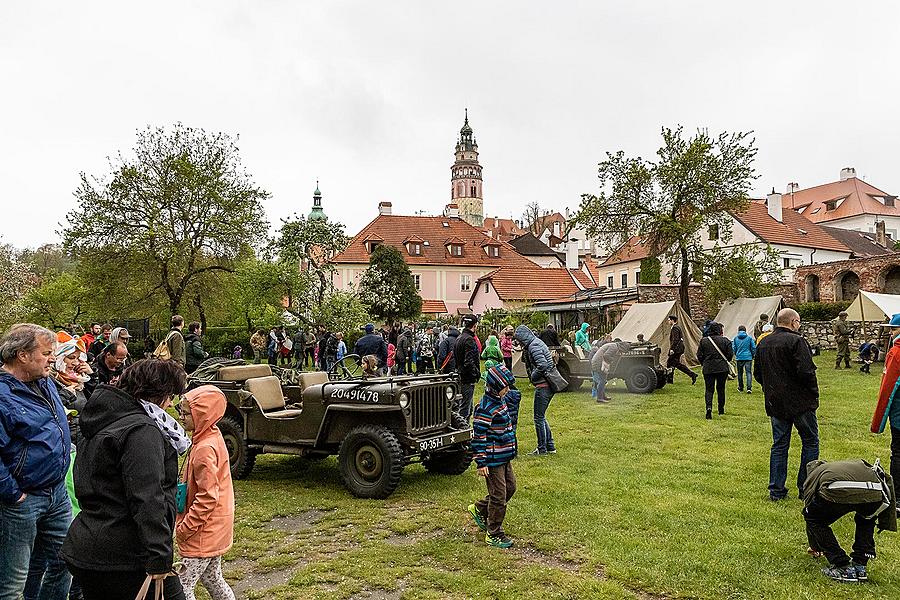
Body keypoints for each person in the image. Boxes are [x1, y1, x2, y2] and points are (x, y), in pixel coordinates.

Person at [61, 359, 189, 600]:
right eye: (170, 395)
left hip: (89, 545)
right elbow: (148, 497)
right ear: (156, 393)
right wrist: (159, 556)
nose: (170, 403)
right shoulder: (140, 430)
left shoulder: (103, 418)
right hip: (125, 555)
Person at [0, 324, 73, 600]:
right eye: (46, 353)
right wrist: (12, 493)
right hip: (22, 500)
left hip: (56, 494)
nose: (52, 358)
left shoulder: (43, 381)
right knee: (11, 582)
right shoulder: (3, 395)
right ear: (22, 355)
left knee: (66, 561)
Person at [176, 386, 236, 600]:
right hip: (217, 525)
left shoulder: (204, 449)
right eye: (179, 410)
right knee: (212, 578)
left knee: (182, 587)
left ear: (202, 415)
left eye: (185, 412)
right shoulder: (211, 434)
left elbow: (207, 497)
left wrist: (185, 528)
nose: (180, 417)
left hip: (203, 530)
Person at [754, 308, 820, 501]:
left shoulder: (764, 342)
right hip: (800, 401)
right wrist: (813, 393)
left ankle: (776, 489)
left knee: (780, 445)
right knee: (810, 441)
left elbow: (758, 372)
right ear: (794, 322)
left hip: (776, 401)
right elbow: (807, 371)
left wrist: (772, 388)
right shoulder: (797, 341)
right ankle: (805, 486)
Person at [802, 458, 896, 583]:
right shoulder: (841, 466)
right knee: (866, 518)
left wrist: (815, 546)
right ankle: (860, 564)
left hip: (838, 489)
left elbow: (810, 512)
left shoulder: (814, 475)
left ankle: (841, 565)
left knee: (814, 519)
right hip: (875, 490)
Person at [467, 365, 518, 549]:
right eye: (506, 386)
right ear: (497, 387)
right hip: (492, 458)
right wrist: (481, 461)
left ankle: (480, 509)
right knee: (499, 495)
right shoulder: (485, 408)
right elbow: (479, 436)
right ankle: (494, 532)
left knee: (510, 487)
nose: (509, 390)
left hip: (504, 455)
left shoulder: (500, 401)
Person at [515, 325, 561, 456]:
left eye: (519, 340)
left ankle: (542, 449)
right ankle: (550, 446)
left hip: (543, 386)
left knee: (538, 418)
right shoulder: (536, 342)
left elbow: (543, 365)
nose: (519, 343)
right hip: (547, 385)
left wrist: (533, 377)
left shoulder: (533, 346)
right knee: (541, 417)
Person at [872, 313, 900, 487]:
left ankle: (897, 495)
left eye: (894, 329)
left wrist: (879, 419)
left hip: (899, 412)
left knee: (898, 453)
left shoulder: (896, 352)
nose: (891, 333)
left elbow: (888, 388)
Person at [696, 322, 733, 419]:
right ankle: (721, 409)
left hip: (708, 367)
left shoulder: (704, 341)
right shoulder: (725, 341)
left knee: (709, 389)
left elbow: (699, 355)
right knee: (721, 389)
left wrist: (704, 362)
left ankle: (709, 408)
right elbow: (729, 356)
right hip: (722, 368)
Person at [454, 315, 481, 420]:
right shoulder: (469, 340)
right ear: (475, 325)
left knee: (467, 407)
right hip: (467, 378)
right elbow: (469, 361)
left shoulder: (459, 338)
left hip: (461, 374)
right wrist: (475, 373)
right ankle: (463, 430)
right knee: (465, 408)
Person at [667, 315, 698, 385]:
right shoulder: (677, 327)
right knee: (675, 364)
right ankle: (692, 375)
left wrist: (672, 349)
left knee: (670, 363)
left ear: (672, 320)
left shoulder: (675, 328)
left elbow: (675, 340)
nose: (668, 322)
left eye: (669, 320)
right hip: (679, 349)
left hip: (676, 349)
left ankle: (669, 380)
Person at [731, 325, 756, 394]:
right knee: (748, 373)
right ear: (745, 330)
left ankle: (741, 387)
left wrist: (736, 354)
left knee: (740, 373)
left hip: (739, 357)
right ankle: (749, 388)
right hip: (748, 357)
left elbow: (734, 348)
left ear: (738, 330)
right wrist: (753, 355)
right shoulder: (749, 338)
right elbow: (753, 347)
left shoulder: (735, 338)